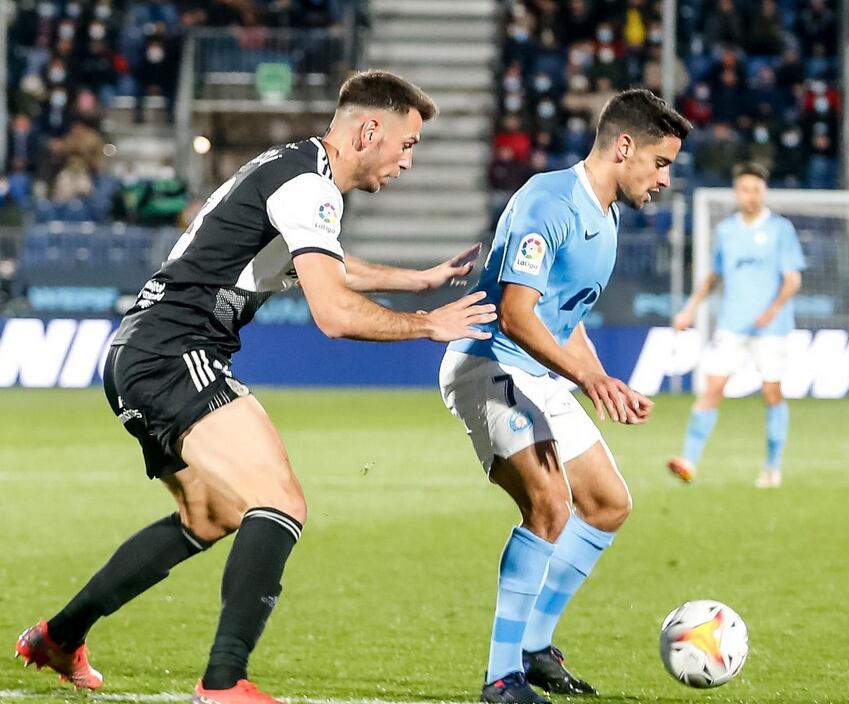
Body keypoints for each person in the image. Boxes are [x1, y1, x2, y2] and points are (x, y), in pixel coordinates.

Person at [15, 70, 496, 704]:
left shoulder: (297, 170)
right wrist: (427, 325)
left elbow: (319, 260)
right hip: (175, 351)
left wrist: (418, 280)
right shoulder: (311, 187)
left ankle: (58, 636)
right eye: (407, 144)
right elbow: (332, 312)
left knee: (209, 515)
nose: (408, 160)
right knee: (281, 501)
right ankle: (223, 682)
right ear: (369, 129)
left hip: (142, 350)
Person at [439, 89, 691, 702]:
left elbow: (564, 314)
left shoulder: (606, 217)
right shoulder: (548, 200)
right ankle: (502, 678)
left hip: (539, 372)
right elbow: (517, 312)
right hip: (487, 362)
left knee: (606, 503)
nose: (663, 180)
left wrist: (602, 377)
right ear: (623, 146)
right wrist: (588, 380)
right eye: (660, 163)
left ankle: (534, 646)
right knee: (550, 504)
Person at [667, 162, 805, 488]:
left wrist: (772, 311)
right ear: (736, 192)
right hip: (732, 324)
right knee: (713, 387)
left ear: (764, 192)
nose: (750, 195)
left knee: (772, 392)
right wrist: (690, 309)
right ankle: (688, 460)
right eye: (745, 189)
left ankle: (772, 467)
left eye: (756, 189)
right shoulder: (727, 231)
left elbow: (793, 279)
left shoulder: (780, 229)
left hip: (771, 328)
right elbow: (715, 276)